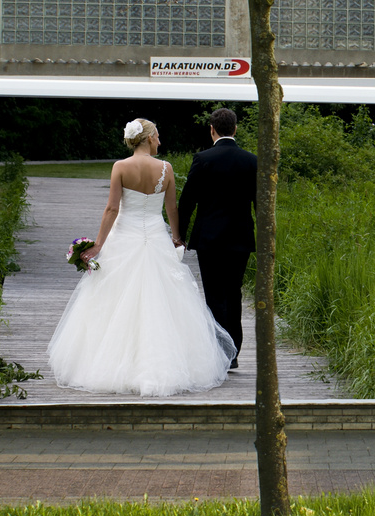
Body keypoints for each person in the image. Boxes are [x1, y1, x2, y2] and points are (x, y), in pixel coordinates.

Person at [47, 118, 235, 395]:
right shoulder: (165, 169)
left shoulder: (120, 167)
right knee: (163, 299)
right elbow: (172, 209)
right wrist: (176, 237)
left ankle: (108, 365)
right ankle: (166, 365)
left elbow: (112, 209)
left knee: (112, 299)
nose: (160, 141)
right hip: (156, 237)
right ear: (148, 139)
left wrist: (99, 244)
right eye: (157, 136)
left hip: (124, 237)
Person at [176, 107, 257, 370]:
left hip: (209, 239)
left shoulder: (203, 159)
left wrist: (179, 234)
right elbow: (262, 204)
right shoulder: (251, 161)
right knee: (234, 293)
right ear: (235, 129)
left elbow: (187, 200)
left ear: (212, 129)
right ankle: (233, 353)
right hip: (240, 239)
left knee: (214, 295)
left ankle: (220, 352)